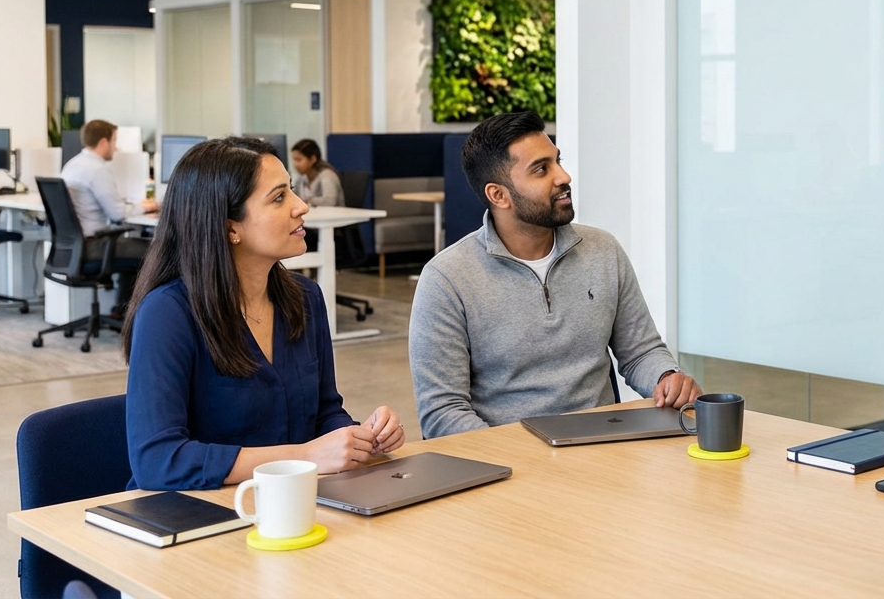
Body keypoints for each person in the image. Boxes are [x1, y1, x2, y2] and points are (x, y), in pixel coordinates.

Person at [121, 136, 405, 490]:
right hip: (196, 514)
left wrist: (360, 438)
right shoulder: (168, 313)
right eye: (279, 197)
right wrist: (305, 457)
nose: (301, 206)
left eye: (293, 191)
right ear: (229, 228)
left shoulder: (305, 298)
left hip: (289, 503)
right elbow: (159, 461)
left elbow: (324, 414)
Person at [410, 111, 700, 437]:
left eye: (557, 161)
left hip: (603, 449)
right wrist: (522, 463)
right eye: (541, 169)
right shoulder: (447, 279)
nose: (564, 177)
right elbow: (442, 412)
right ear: (498, 195)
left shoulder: (603, 250)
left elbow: (641, 352)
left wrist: (667, 377)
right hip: (510, 467)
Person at [59, 119, 158, 314]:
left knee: (134, 248)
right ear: (103, 142)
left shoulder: (71, 165)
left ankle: (121, 310)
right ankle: (137, 316)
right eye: (114, 141)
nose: (115, 147)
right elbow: (118, 213)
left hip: (73, 247)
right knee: (156, 251)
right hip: (94, 247)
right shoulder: (98, 170)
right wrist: (148, 207)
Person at [290, 138, 344, 207]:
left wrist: (308, 200)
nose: (295, 164)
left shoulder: (327, 175)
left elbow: (330, 201)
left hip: (332, 216)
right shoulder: (302, 178)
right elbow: (295, 198)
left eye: (299, 160)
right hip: (311, 216)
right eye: (294, 160)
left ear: (313, 159)